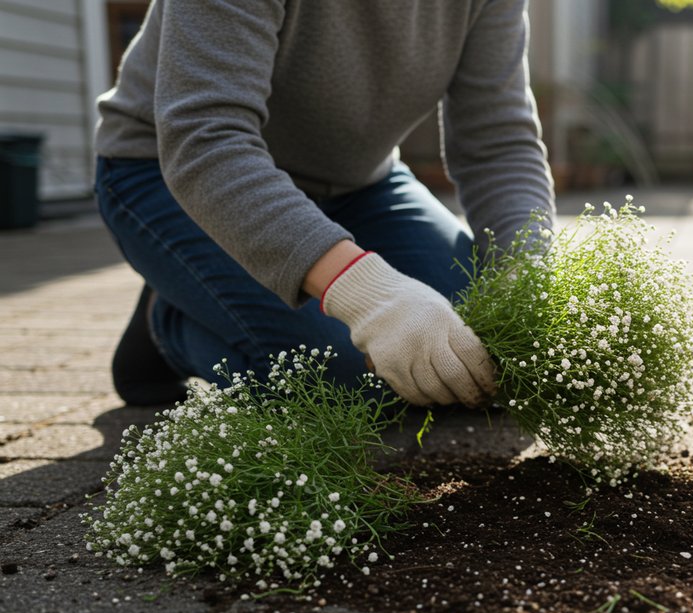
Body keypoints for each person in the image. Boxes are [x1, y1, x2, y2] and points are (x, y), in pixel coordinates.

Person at [93, 1, 555, 407]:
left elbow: (498, 144)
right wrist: (371, 297)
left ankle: (219, 286)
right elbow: (205, 138)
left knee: (473, 345)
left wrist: (526, 275)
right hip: (173, 175)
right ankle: (167, 322)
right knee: (341, 375)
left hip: (360, 184)